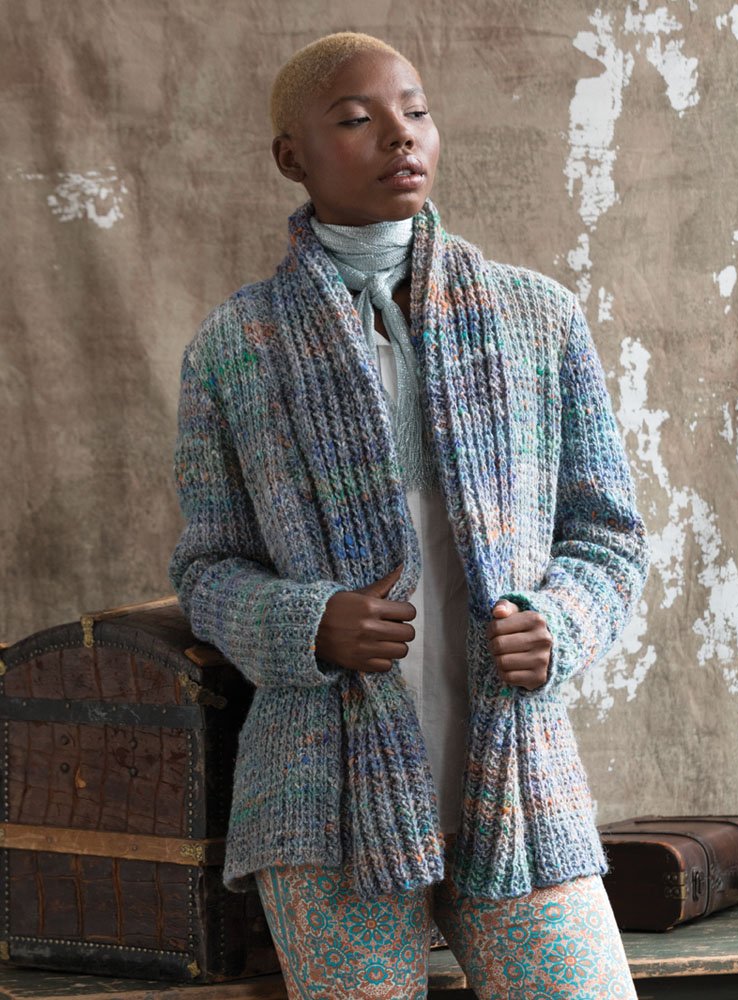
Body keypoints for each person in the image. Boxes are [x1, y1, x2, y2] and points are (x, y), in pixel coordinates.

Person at [168, 30, 650, 1000]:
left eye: (415, 112)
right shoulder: (234, 347)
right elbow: (206, 567)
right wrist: (307, 623)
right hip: (320, 802)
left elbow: (607, 535)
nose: (400, 135)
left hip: (514, 782)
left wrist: (559, 622)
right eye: (356, 119)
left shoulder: (537, 318)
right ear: (292, 157)